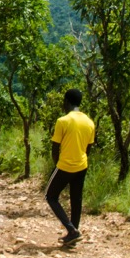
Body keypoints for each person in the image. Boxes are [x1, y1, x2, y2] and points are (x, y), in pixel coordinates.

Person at [45, 88, 95, 246]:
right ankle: (73, 236)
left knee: (50, 196)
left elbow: (55, 148)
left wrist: (57, 166)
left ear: (66, 101)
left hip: (65, 165)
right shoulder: (89, 122)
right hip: (82, 165)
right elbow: (88, 149)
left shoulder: (63, 121)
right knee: (76, 199)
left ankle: (71, 230)